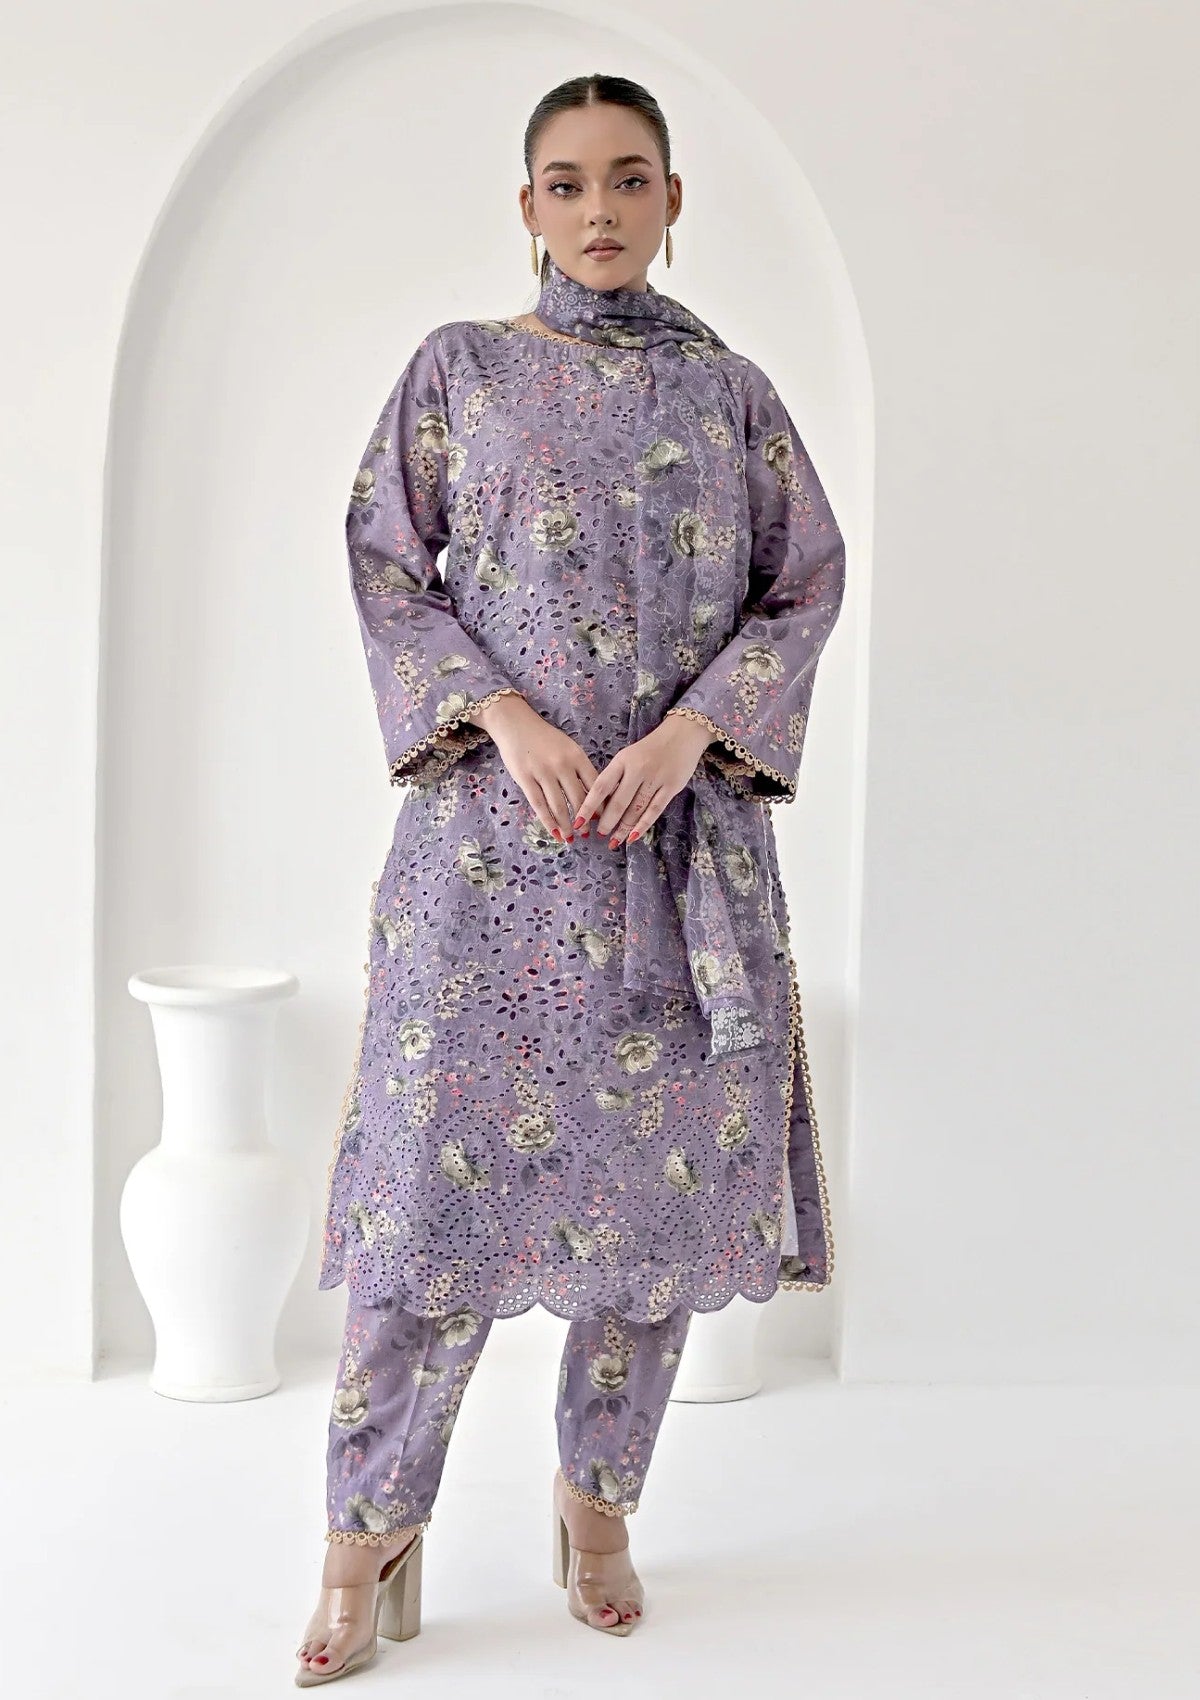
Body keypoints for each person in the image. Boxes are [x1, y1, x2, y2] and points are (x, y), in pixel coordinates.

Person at [295, 70, 846, 1685]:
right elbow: (385, 563)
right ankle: (364, 1532)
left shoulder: (731, 396)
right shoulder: (459, 373)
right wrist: (505, 716)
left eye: (628, 178)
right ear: (526, 206)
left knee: (651, 1208)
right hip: (489, 862)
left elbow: (802, 585)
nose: (598, 209)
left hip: (680, 862)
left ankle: (597, 1510)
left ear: (674, 199)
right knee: (426, 1213)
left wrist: (691, 736)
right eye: (565, 182)